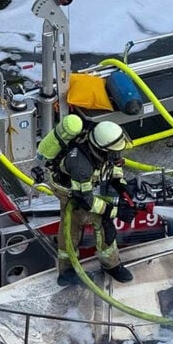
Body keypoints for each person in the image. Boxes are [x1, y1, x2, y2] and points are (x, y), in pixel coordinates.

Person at [48, 120, 137, 286]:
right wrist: (116, 212)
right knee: (72, 229)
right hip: (70, 193)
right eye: (114, 152)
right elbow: (85, 201)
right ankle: (67, 272)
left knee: (104, 225)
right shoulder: (81, 166)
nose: (118, 154)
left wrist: (120, 183)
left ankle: (111, 265)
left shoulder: (101, 146)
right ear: (103, 150)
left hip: (82, 187)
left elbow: (113, 162)